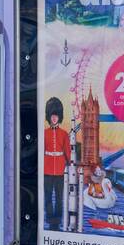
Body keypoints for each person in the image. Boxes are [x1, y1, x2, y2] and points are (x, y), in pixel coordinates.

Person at [43, 96, 69, 230]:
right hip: (46, 169)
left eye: (56, 116)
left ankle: (57, 220)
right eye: (52, 116)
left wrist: (70, 164)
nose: (54, 118)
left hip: (59, 169)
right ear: (49, 117)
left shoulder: (64, 134)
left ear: (59, 117)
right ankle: (49, 218)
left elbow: (67, 151)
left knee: (59, 197)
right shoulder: (44, 133)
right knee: (47, 196)